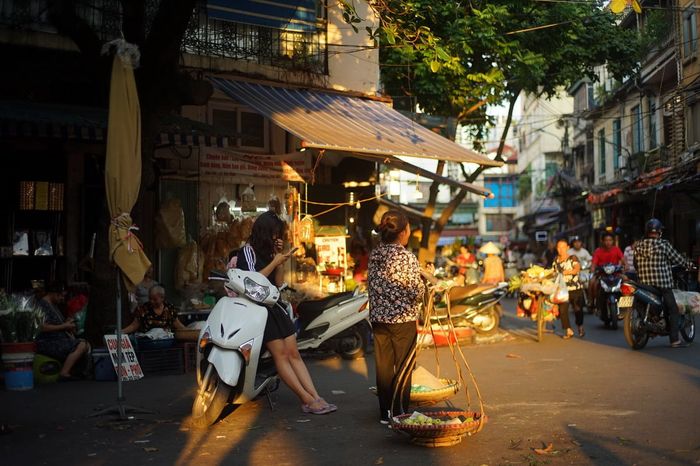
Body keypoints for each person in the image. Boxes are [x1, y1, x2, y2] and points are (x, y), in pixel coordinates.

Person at [236, 211, 336, 415]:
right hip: (257, 310)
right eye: (274, 233)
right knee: (280, 355)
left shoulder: (271, 252)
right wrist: (274, 262)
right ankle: (306, 399)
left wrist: (279, 261)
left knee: (294, 354)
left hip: (275, 306)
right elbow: (251, 281)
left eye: (278, 234)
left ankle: (315, 395)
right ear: (264, 232)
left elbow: (278, 283)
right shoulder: (247, 251)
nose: (277, 237)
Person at [368, 210, 433, 425]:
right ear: (403, 232)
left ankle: (385, 414)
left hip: (379, 320)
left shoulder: (375, 254)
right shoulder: (407, 257)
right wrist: (426, 283)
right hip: (402, 321)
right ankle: (400, 413)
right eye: (408, 229)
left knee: (384, 367)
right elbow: (416, 292)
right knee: (404, 367)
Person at [634, 219, 695, 348]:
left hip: (643, 284)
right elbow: (678, 259)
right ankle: (674, 340)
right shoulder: (664, 244)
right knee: (673, 309)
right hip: (662, 285)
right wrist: (690, 265)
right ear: (659, 232)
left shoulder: (638, 245)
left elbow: (635, 264)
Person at [36, 282, 90, 381]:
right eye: (61, 296)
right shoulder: (42, 305)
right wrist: (64, 326)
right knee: (81, 345)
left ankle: (76, 371)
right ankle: (64, 373)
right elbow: (41, 327)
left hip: (59, 338)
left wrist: (67, 323)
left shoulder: (54, 305)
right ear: (54, 293)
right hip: (48, 342)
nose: (62, 299)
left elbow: (59, 324)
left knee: (84, 343)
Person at [553, 238, 585, 339]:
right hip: (562, 290)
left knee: (578, 310)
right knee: (563, 311)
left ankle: (580, 326)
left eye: (563, 247)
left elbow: (577, 269)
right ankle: (568, 330)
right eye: (559, 247)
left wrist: (567, 272)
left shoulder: (572, 258)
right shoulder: (555, 260)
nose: (561, 249)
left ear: (567, 248)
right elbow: (553, 273)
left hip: (575, 289)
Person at [122, 285, 186, 334]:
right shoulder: (143, 309)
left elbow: (178, 325)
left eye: (155, 299)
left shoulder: (169, 308)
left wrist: (190, 331)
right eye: (150, 299)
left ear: (162, 298)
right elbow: (134, 326)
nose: (151, 301)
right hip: (147, 342)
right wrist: (121, 332)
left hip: (166, 342)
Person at [591, 231, 624, 319]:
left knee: (627, 282)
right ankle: (593, 304)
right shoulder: (598, 251)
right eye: (606, 240)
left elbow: (623, 259)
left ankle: (625, 307)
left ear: (613, 241)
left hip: (616, 274)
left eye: (610, 240)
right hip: (602, 275)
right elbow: (594, 263)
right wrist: (593, 269)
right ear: (602, 241)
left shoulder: (616, 249)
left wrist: (625, 266)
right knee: (592, 283)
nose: (608, 242)